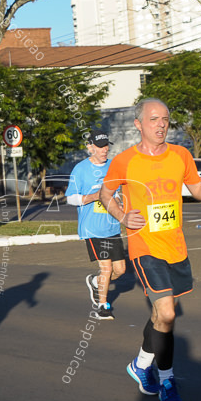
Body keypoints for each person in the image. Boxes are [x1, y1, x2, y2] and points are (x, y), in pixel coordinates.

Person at [99, 98, 201, 401]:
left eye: (165, 119)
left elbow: (197, 190)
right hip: (144, 247)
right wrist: (122, 216)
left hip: (176, 248)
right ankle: (167, 379)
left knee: (160, 316)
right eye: (153, 119)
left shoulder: (181, 155)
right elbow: (105, 192)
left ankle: (141, 365)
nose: (161, 124)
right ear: (139, 125)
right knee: (168, 314)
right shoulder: (125, 161)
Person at [66, 128, 126, 320]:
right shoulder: (80, 169)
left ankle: (94, 281)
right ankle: (102, 306)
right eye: (100, 147)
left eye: (106, 146)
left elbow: (120, 190)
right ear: (90, 147)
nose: (104, 150)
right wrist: (95, 196)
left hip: (112, 226)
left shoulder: (113, 166)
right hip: (92, 228)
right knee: (106, 268)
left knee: (120, 270)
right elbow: (71, 199)